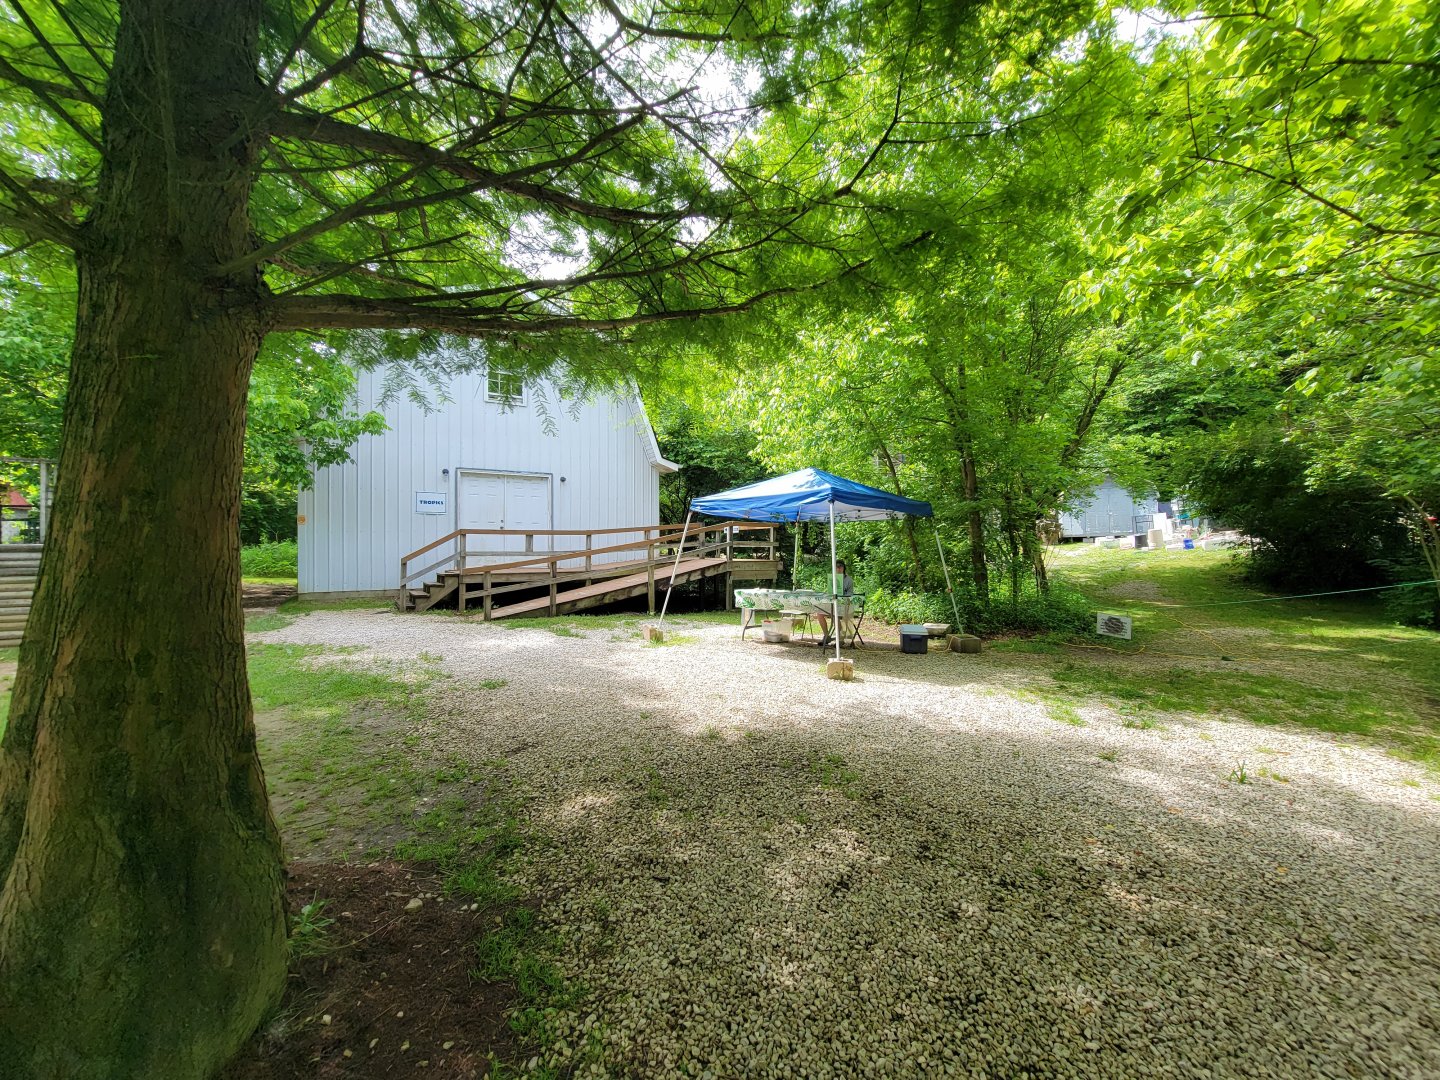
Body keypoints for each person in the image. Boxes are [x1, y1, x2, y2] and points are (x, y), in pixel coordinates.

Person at [814, 559, 854, 645]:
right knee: (819, 613)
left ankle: (840, 639)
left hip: (844, 605)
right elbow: (830, 591)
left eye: (840, 567)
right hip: (833, 603)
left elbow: (850, 595)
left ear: (844, 568)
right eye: (837, 567)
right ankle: (826, 635)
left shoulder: (849, 580)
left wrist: (842, 596)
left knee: (834, 614)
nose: (838, 569)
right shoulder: (831, 578)